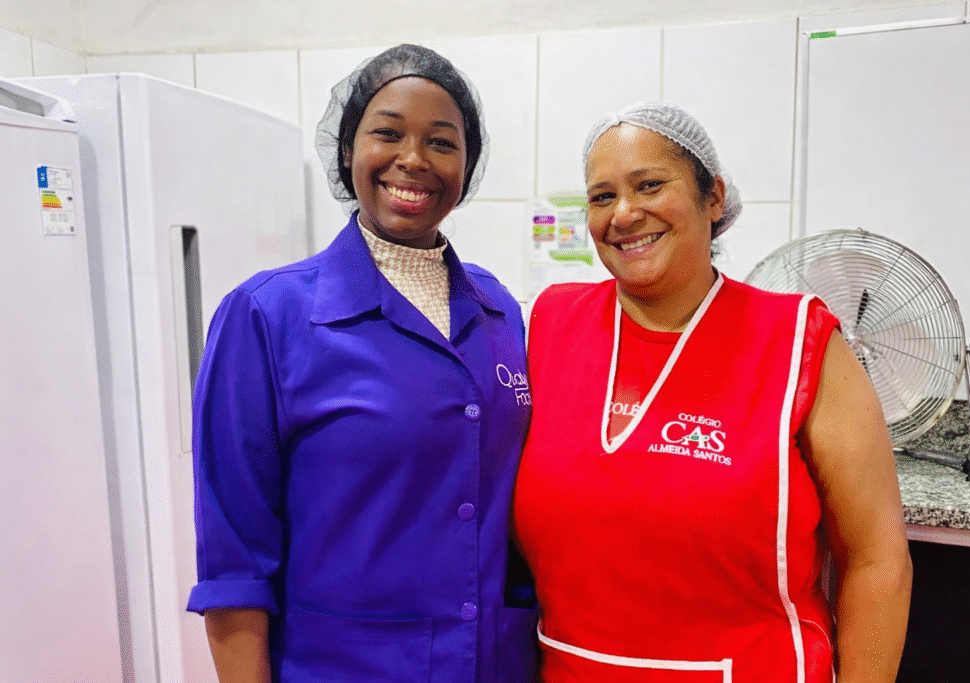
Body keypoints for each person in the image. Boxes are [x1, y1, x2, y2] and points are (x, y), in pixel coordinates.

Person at [513, 102, 912, 682]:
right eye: (602, 197)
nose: (623, 214)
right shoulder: (552, 325)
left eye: (650, 185)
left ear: (714, 197)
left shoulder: (798, 342)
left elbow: (876, 560)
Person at [187, 44, 538, 683]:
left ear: (467, 166)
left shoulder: (499, 312)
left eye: (442, 142)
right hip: (344, 667)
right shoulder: (267, 316)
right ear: (349, 149)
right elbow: (235, 564)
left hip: (493, 664)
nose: (414, 159)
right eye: (388, 133)